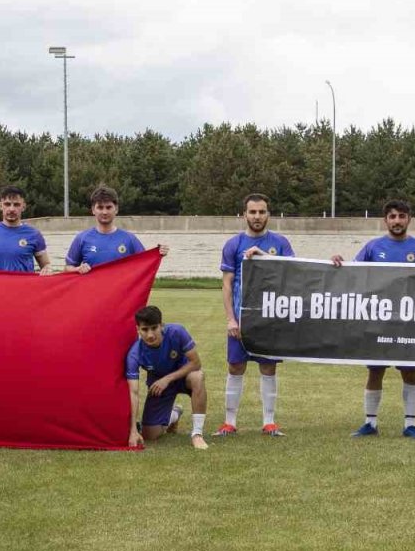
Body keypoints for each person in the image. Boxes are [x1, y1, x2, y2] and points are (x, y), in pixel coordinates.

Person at [330, 199, 415, 439]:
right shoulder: (373, 247)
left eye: (401, 216)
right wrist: (339, 262)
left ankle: (410, 425)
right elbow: (353, 273)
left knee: (409, 373)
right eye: (392, 217)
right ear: (385, 220)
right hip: (377, 321)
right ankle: (370, 423)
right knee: (375, 371)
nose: (397, 221)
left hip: (409, 322)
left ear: (409, 219)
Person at [216, 193, 295, 437]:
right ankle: (229, 422)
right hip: (242, 318)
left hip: (269, 318)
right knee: (235, 366)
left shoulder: (280, 243)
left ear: (268, 214)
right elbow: (227, 284)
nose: (257, 216)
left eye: (261, 212)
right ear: (245, 214)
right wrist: (231, 319)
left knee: (268, 367)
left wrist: (263, 256)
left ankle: (269, 422)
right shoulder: (233, 244)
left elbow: (293, 271)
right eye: (252, 212)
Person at [124, 306, 209, 450]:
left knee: (198, 377)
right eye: (145, 329)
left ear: (161, 325)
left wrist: (167, 379)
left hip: (184, 377)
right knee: (150, 434)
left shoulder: (177, 332)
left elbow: (196, 363)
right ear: (137, 329)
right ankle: (174, 414)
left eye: (154, 328)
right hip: (159, 386)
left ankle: (197, 434)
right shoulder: (135, 354)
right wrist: (133, 430)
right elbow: (134, 392)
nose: (150, 335)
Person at [65, 185, 152, 273]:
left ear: (116, 209)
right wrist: (77, 269)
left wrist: (157, 254)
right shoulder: (82, 238)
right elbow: (67, 268)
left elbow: (146, 264)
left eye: (108, 207)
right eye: (100, 207)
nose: (105, 212)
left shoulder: (130, 239)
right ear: (93, 210)